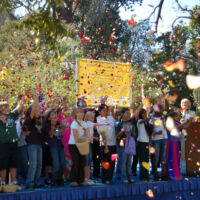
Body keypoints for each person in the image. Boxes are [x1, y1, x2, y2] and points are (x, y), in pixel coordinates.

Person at [0, 98, 25, 186]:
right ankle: (2, 182)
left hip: (14, 143)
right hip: (3, 144)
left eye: (8, 106)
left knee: (13, 163)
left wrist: (22, 101)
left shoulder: (11, 115)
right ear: (1, 109)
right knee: (3, 164)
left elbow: (20, 107)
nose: (8, 108)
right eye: (5, 107)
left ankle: (14, 182)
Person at [84, 111, 109, 185]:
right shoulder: (88, 123)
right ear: (88, 117)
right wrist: (105, 123)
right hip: (86, 144)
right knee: (87, 162)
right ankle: (86, 178)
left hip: (89, 143)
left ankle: (88, 178)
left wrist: (94, 138)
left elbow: (89, 134)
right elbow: (96, 124)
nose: (93, 118)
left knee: (88, 161)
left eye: (93, 117)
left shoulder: (89, 124)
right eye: (91, 117)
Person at [166, 111, 192, 180]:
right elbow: (180, 126)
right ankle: (170, 173)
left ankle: (176, 173)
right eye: (176, 116)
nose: (178, 117)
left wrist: (189, 122)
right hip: (170, 142)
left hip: (175, 142)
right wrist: (187, 121)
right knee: (171, 158)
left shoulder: (177, 123)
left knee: (176, 158)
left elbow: (184, 126)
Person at [24, 93, 43, 188]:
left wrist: (38, 104)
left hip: (39, 144)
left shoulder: (39, 120)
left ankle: (36, 182)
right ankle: (30, 183)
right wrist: (36, 100)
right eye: (35, 110)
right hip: (32, 145)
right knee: (33, 165)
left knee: (39, 165)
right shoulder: (29, 120)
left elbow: (40, 110)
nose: (38, 111)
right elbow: (33, 111)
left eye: (38, 110)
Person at [68, 107, 90, 187]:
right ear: (76, 114)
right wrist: (82, 143)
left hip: (81, 144)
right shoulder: (74, 123)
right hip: (74, 145)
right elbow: (75, 135)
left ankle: (81, 180)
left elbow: (87, 132)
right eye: (79, 112)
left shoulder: (84, 123)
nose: (81, 114)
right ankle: (73, 180)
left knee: (82, 162)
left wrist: (89, 138)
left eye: (82, 112)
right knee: (76, 162)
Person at [44, 109, 65, 186]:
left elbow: (61, 135)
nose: (55, 115)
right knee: (56, 164)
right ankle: (54, 179)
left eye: (55, 114)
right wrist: (53, 126)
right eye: (52, 114)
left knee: (63, 164)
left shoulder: (58, 123)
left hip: (60, 145)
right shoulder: (47, 125)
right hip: (53, 146)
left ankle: (59, 178)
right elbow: (51, 135)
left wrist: (61, 128)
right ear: (49, 118)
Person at [97, 104, 116, 185]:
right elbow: (102, 134)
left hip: (113, 144)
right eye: (103, 110)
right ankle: (105, 178)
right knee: (105, 162)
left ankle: (110, 178)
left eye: (106, 110)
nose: (105, 111)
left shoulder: (111, 118)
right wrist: (106, 146)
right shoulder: (99, 121)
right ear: (100, 112)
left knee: (112, 162)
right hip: (104, 145)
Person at [116, 108, 136, 184]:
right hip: (122, 145)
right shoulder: (119, 124)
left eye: (129, 114)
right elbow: (117, 135)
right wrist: (122, 130)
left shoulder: (131, 123)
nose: (129, 115)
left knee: (129, 161)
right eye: (127, 114)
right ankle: (123, 177)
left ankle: (129, 176)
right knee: (123, 161)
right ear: (123, 115)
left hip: (130, 144)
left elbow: (133, 134)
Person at [150, 104, 168, 181]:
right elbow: (150, 132)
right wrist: (157, 133)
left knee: (163, 157)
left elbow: (167, 109)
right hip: (156, 140)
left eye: (162, 109)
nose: (162, 111)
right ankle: (156, 174)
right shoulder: (152, 119)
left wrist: (166, 99)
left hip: (164, 139)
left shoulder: (163, 118)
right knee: (156, 157)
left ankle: (163, 174)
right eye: (160, 109)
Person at [180, 98, 196, 175]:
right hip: (182, 135)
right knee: (183, 151)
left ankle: (192, 168)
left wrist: (192, 120)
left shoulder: (193, 113)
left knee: (191, 152)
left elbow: (196, 124)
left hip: (192, 136)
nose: (184, 105)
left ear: (188, 104)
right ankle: (183, 169)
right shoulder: (179, 113)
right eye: (183, 103)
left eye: (185, 103)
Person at [137, 108, 153, 182]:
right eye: (143, 113)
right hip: (141, 142)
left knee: (146, 160)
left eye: (145, 113)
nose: (144, 114)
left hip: (146, 142)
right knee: (142, 160)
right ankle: (142, 177)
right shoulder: (139, 121)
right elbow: (142, 121)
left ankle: (146, 176)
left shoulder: (147, 122)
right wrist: (148, 118)